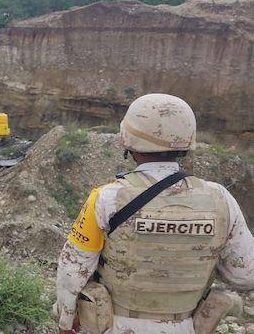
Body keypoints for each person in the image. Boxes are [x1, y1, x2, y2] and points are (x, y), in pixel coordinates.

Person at [54, 93, 254, 334]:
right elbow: (245, 274)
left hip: (115, 325)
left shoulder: (107, 198)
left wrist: (66, 322)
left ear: (128, 139)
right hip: (187, 326)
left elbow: (73, 268)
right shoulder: (221, 199)